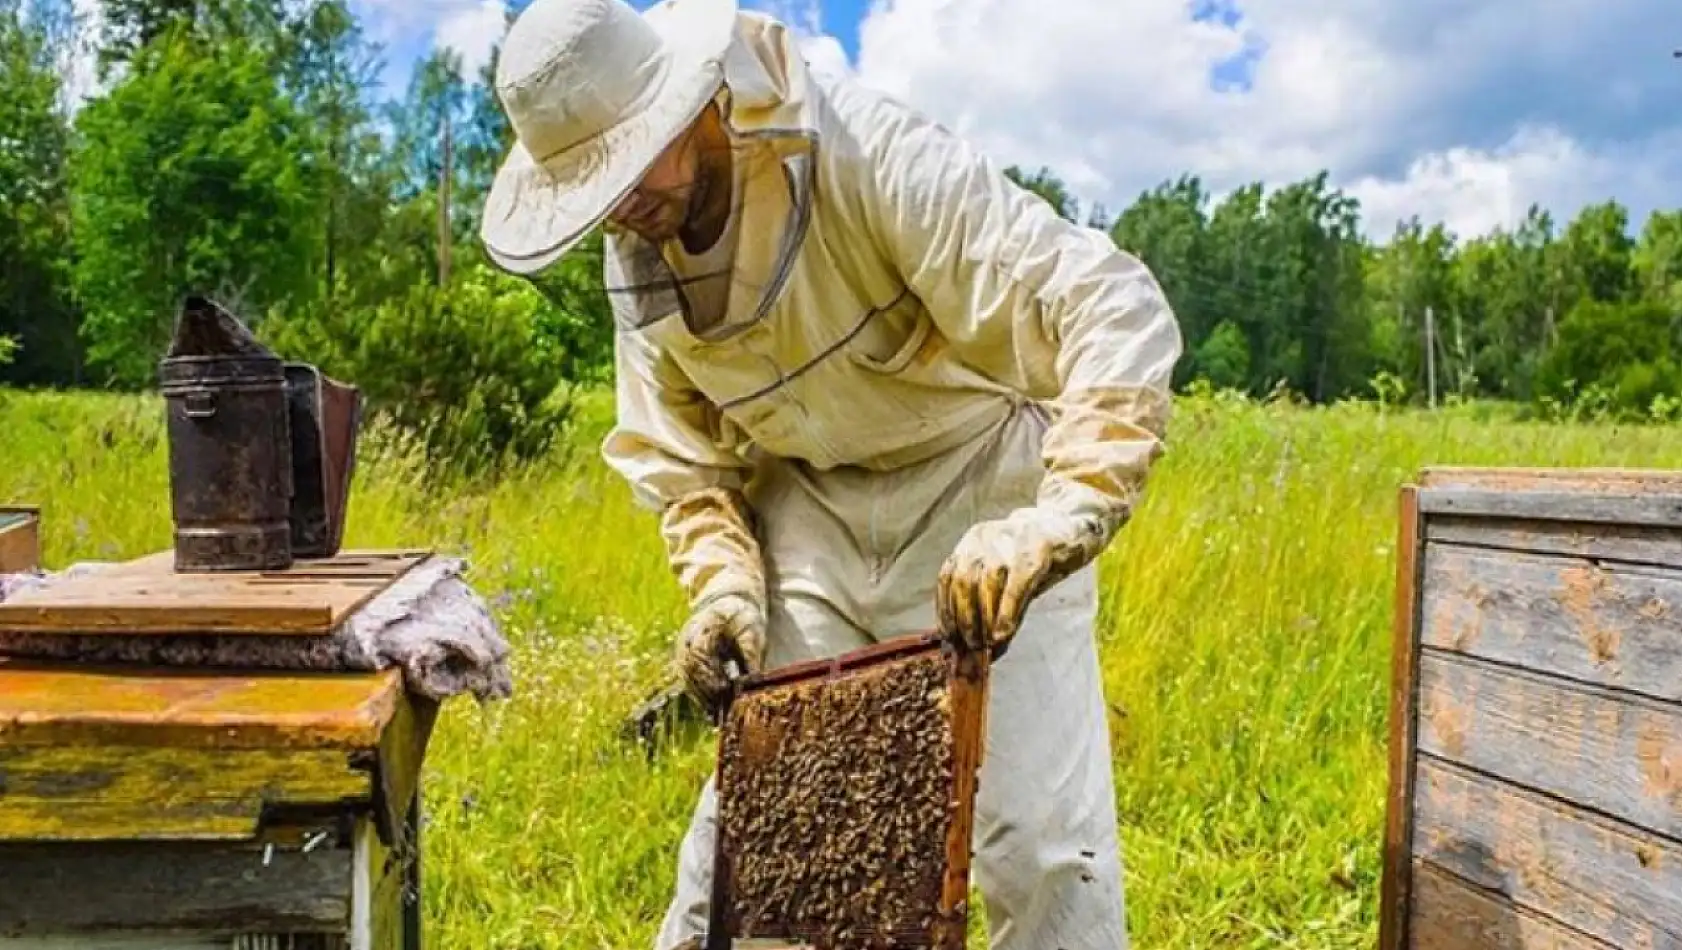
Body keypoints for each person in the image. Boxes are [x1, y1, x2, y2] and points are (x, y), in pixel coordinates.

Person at [477, 0, 1184, 945]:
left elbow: (1108, 303)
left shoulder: (869, 154)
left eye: (624, 166)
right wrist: (726, 588)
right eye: (591, 191)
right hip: (807, 505)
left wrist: (1064, 516)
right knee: (752, 840)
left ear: (691, 105)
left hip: (981, 484)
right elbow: (684, 463)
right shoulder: (637, 257)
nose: (618, 210)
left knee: (1040, 846)